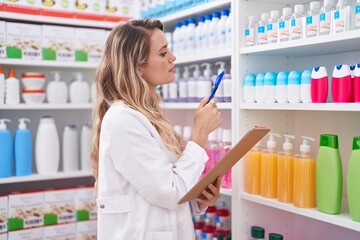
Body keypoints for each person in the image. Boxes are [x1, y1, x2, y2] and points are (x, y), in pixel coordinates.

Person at [91, 19, 223, 240]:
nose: (173, 57)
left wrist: (197, 201)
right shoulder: (123, 120)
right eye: (163, 53)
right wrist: (200, 133)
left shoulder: (147, 115)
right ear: (138, 66)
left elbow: (159, 194)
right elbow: (169, 193)